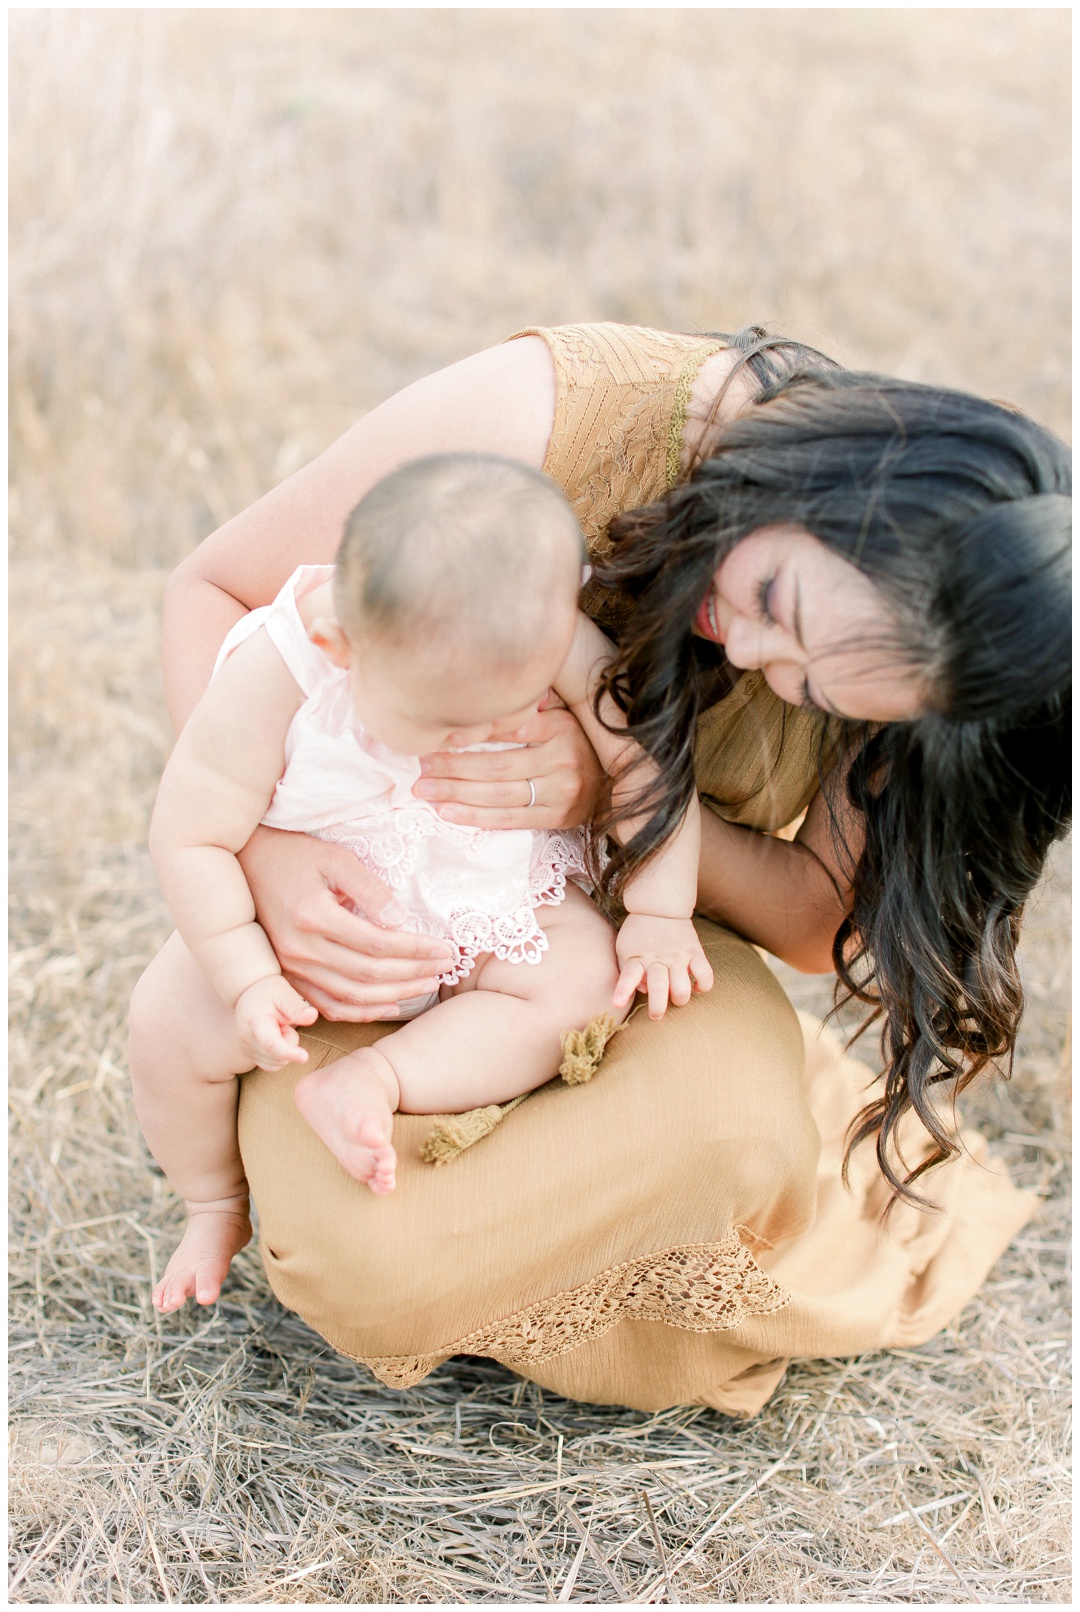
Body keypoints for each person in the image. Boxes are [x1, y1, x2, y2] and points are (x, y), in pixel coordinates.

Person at [130, 323, 1070, 1416]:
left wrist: (623, 797)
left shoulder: (912, 667)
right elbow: (216, 592)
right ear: (828, 478)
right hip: (363, 918)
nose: (760, 658)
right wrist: (266, 856)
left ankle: (581, 1236)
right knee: (362, 1254)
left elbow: (815, 916)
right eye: (773, 599)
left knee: (741, 1141)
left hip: (599, 942)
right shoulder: (544, 419)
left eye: (812, 691)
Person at [137, 451, 712, 1314]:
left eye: (522, 699)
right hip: (316, 928)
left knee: (581, 987)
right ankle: (213, 1202)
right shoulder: (283, 664)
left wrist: (661, 911)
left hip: (494, 901)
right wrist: (244, 974)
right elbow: (190, 831)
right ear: (344, 647)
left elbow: (648, 767)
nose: (504, 729)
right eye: (452, 719)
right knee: (164, 1025)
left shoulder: (526, 623)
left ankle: (382, 1079)